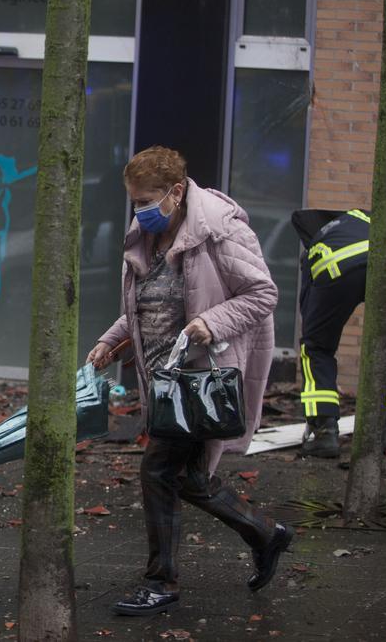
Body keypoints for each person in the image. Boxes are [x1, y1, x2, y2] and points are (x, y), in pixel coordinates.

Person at [86, 146, 292, 616]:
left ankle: (162, 583)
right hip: (163, 382)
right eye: (133, 201)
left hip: (197, 381)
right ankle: (266, 533)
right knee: (191, 479)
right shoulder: (146, 235)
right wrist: (108, 344)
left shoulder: (221, 231)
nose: (138, 210)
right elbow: (145, 307)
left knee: (158, 473)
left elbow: (263, 293)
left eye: (146, 199)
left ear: (176, 192)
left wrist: (212, 323)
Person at [296, 208, 386, 457]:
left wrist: (315, 339)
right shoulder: (379, 227)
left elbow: (308, 307)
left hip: (332, 267)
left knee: (316, 348)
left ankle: (325, 433)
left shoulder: (328, 235)